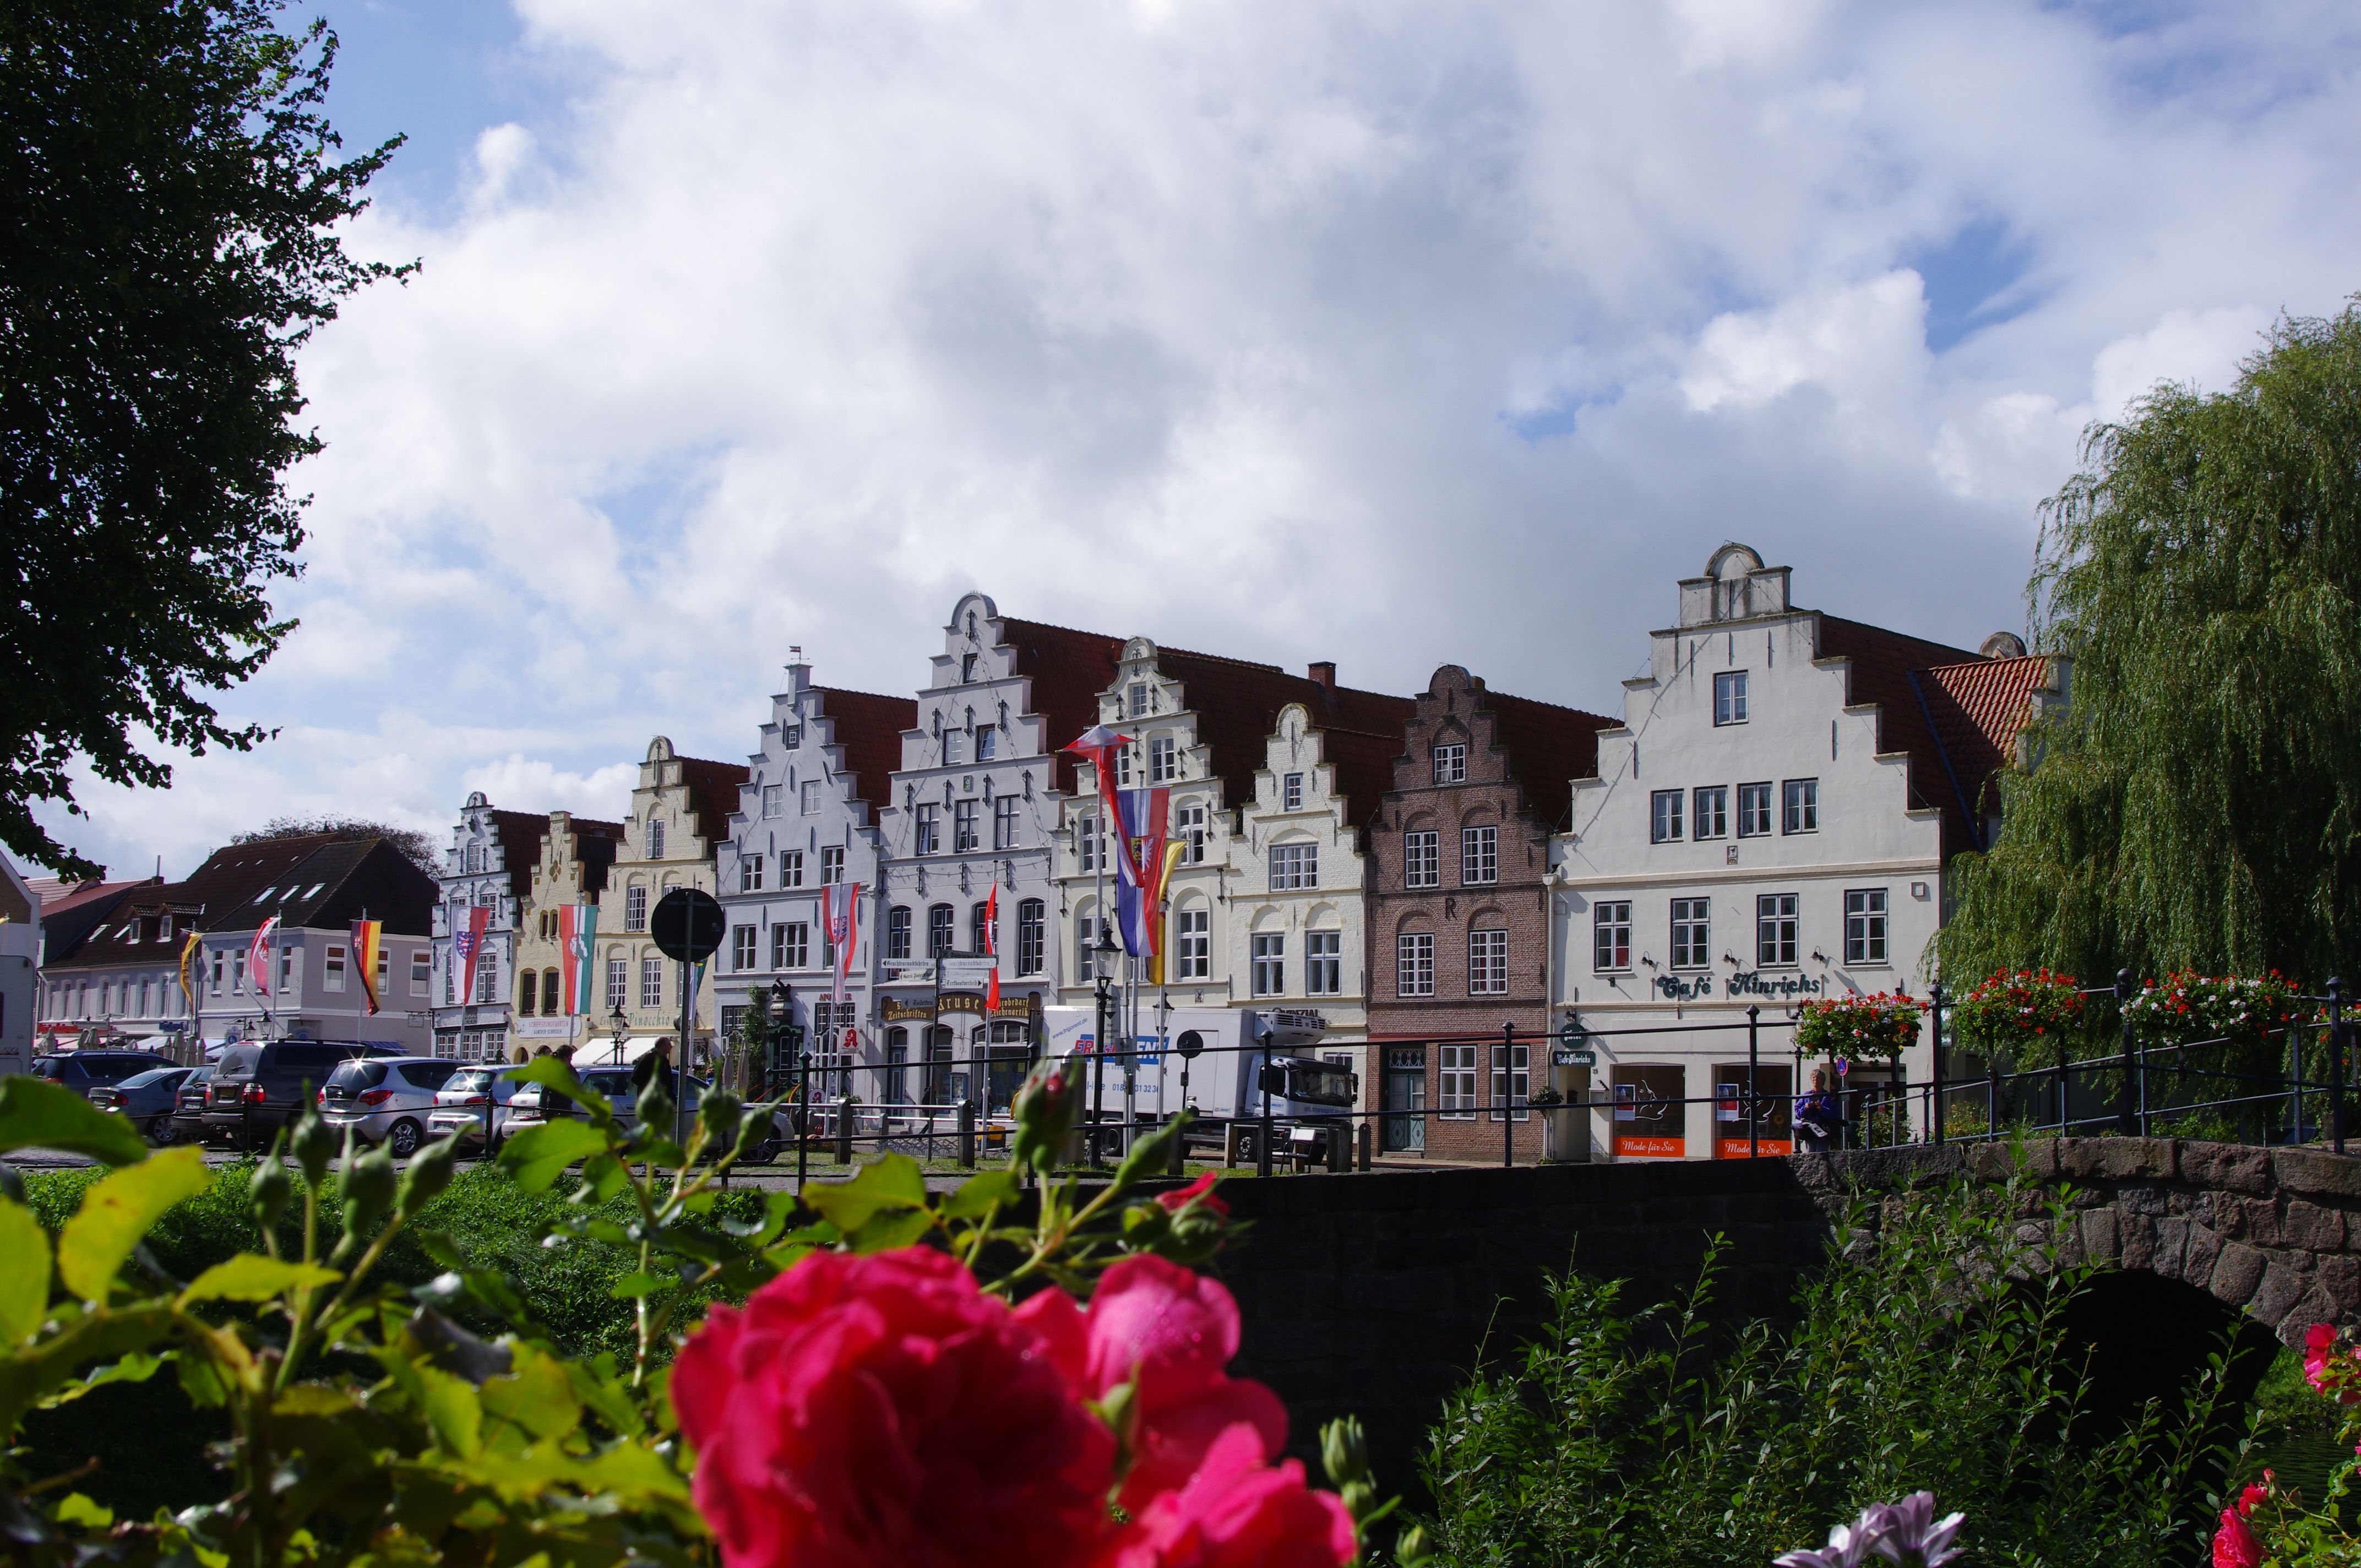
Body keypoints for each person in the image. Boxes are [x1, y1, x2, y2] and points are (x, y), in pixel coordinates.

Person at [1794, 1069, 1842, 1152]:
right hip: (1810, 1131)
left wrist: (1822, 1109)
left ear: (1823, 1081)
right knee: (1810, 1154)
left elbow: (1836, 1114)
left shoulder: (1829, 1096)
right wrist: (1805, 1108)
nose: (1815, 1080)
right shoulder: (1807, 1095)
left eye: (1818, 1078)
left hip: (1824, 1130)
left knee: (1822, 1154)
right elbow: (1797, 1112)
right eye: (1813, 1078)